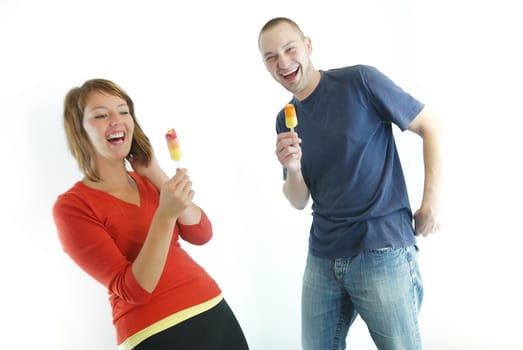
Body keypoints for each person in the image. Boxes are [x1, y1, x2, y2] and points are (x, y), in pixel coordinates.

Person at [258, 17, 442, 350]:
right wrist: (294, 168)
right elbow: (299, 200)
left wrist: (430, 204)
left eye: (289, 49)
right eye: (271, 57)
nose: (283, 62)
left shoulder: (359, 81)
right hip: (323, 257)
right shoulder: (284, 118)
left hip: (381, 247)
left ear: (308, 46)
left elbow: (430, 125)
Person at [52, 79, 249, 350]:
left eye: (123, 111)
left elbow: (201, 233)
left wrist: (155, 173)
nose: (116, 120)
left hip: (212, 309)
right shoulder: (72, 207)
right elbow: (135, 290)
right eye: (100, 115)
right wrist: (165, 216)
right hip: (153, 333)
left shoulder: (147, 181)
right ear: (80, 130)